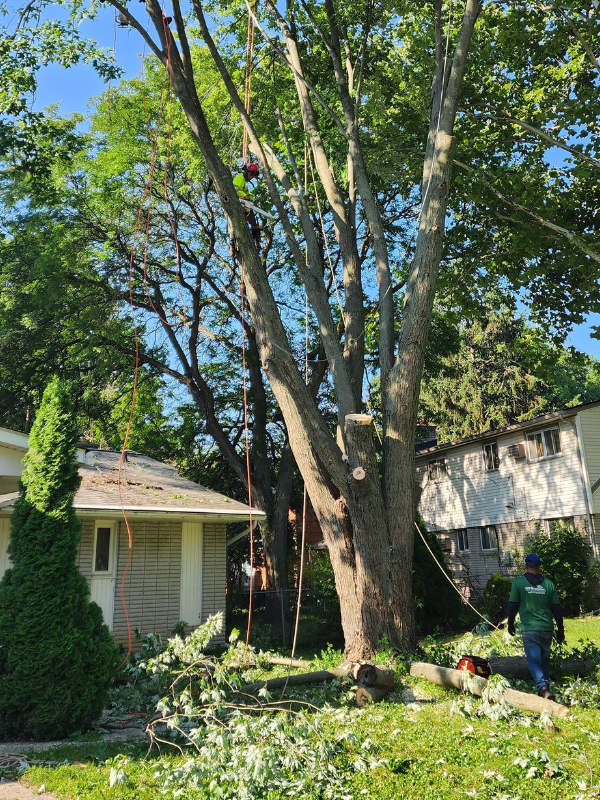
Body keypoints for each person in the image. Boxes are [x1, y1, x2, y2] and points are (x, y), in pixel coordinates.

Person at [507, 553, 565, 701]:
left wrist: (510, 623)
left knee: (533, 660)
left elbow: (513, 605)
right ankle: (546, 690)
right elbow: (557, 609)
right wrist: (560, 630)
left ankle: (543, 688)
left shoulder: (518, 583)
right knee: (544, 660)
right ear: (539, 567)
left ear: (526, 566)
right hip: (547, 628)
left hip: (529, 629)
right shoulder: (549, 584)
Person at [232, 162, 261, 251]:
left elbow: (248, 194)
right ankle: (233, 243)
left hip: (244, 203)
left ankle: (256, 241)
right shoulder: (239, 177)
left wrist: (252, 200)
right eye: (251, 174)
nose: (252, 177)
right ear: (247, 172)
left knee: (254, 223)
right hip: (238, 203)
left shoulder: (244, 182)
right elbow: (234, 188)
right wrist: (244, 196)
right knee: (236, 226)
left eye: (253, 176)